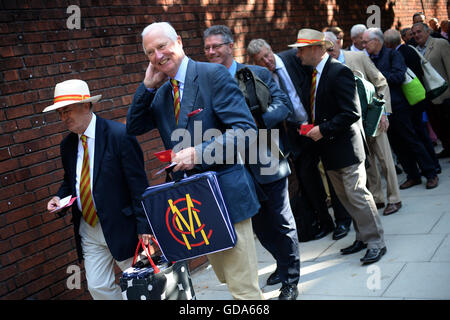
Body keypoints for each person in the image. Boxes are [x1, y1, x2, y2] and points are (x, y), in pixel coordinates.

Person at [126, 22, 264, 300]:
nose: (157, 56)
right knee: (227, 279)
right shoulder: (162, 92)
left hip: (227, 198)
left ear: (177, 41)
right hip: (195, 207)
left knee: (243, 289)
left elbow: (246, 131)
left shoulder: (212, 74)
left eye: (161, 46)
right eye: (150, 52)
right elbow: (134, 126)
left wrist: (199, 152)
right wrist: (147, 88)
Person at [203, 25, 300, 300]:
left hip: (266, 153)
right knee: (257, 224)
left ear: (229, 46)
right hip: (233, 166)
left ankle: (291, 280)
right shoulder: (206, 83)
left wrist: (256, 124)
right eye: (207, 47)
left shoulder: (255, 73)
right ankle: (282, 264)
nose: (211, 52)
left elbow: (283, 104)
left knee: (281, 219)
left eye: (216, 46)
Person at [44, 79, 152, 300]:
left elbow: (139, 187)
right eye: (60, 113)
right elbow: (70, 181)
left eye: (67, 111)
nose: (64, 118)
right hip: (89, 228)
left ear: (86, 105)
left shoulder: (120, 135)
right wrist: (59, 197)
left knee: (141, 286)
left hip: (123, 227)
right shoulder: (67, 145)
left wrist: (145, 227)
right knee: (98, 287)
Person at [291, 28, 386, 265]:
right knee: (346, 198)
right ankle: (363, 237)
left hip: (346, 149)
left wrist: (321, 129)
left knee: (357, 196)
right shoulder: (314, 74)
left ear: (315, 48)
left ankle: (376, 242)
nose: (298, 55)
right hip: (330, 150)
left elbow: (351, 113)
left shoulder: (338, 71)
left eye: (301, 50)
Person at [247, 38, 352, 240]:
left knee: (331, 172)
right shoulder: (261, 78)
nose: (267, 62)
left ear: (271, 50)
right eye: (261, 60)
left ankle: (343, 220)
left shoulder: (294, 59)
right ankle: (324, 221)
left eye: (267, 56)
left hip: (319, 123)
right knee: (308, 178)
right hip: (297, 132)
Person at [324, 31, 402, 216]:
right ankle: (377, 197)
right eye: (324, 49)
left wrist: (383, 111)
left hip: (374, 116)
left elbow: (380, 82)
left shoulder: (358, 57)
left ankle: (394, 198)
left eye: (331, 47)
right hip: (353, 123)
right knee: (368, 162)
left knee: (385, 159)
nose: (329, 51)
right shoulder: (327, 68)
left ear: (338, 43)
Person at [363, 27, 439, 190]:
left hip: (399, 106)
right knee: (398, 145)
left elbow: (398, 75)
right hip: (383, 110)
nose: (364, 45)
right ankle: (413, 175)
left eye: (366, 42)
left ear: (376, 41)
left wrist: (377, 77)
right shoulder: (368, 59)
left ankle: (430, 173)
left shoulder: (392, 54)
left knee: (412, 140)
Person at [383, 28, 441, 175]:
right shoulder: (408, 49)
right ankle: (433, 165)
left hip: (412, 100)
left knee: (420, 134)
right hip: (416, 98)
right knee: (421, 133)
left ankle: (433, 166)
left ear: (388, 44)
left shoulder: (400, 54)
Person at [412, 22, 450, 159]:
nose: (416, 35)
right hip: (429, 96)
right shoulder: (415, 50)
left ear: (428, 32)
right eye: (414, 33)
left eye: (419, 31)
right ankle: (447, 147)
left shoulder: (440, 44)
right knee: (438, 125)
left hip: (445, 94)